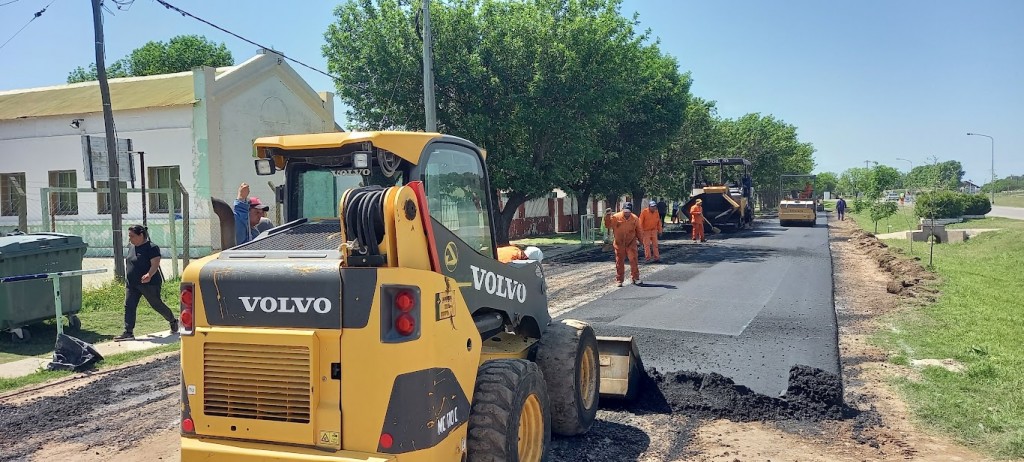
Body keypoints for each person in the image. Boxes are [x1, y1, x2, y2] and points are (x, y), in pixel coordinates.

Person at [114, 225, 178, 341]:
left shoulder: (152, 248)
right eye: (129, 236)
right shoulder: (131, 247)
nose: (130, 239)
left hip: (149, 283)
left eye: (132, 236)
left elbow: (155, 264)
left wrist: (149, 274)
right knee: (129, 305)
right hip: (132, 283)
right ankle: (128, 332)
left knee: (156, 304)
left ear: (141, 235)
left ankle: (173, 320)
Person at [609, 203, 642, 286]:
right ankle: (619, 280)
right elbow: (608, 225)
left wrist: (641, 241)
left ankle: (635, 278)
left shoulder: (635, 218)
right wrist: (607, 216)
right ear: (622, 210)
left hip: (631, 242)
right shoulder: (616, 217)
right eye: (625, 211)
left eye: (628, 211)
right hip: (619, 243)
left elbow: (638, 230)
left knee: (634, 260)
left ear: (631, 211)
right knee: (619, 262)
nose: (626, 213)